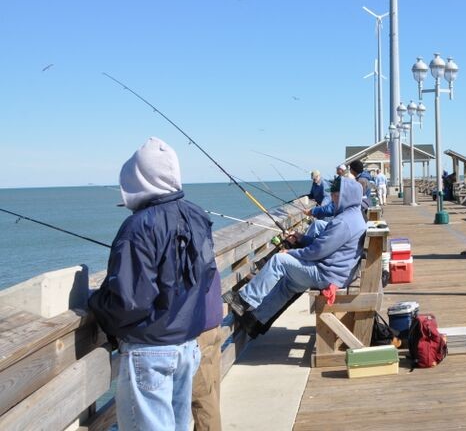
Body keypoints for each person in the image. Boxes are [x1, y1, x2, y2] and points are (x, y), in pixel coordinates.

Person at [88, 137, 218, 431]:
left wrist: (95, 302)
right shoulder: (198, 216)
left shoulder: (138, 226)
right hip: (187, 346)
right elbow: (206, 275)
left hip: (150, 351)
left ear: (137, 179)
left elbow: (129, 303)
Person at [224, 166, 367, 337]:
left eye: (336, 195)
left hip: (327, 275)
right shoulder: (353, 216)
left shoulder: (344, 222)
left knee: (279, 261)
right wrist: (301, 238)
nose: (334, 199)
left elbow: (317, 251)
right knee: (289, 284)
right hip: (338, 272)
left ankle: (244, 300)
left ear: (346, 196)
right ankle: (255, 321)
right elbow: (324, 245)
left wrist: (290, 254)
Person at [192, 279, 223, 431]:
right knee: (211, 396)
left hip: (197, 328)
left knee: (202, 400)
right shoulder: (204, 253)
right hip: (212, 320)